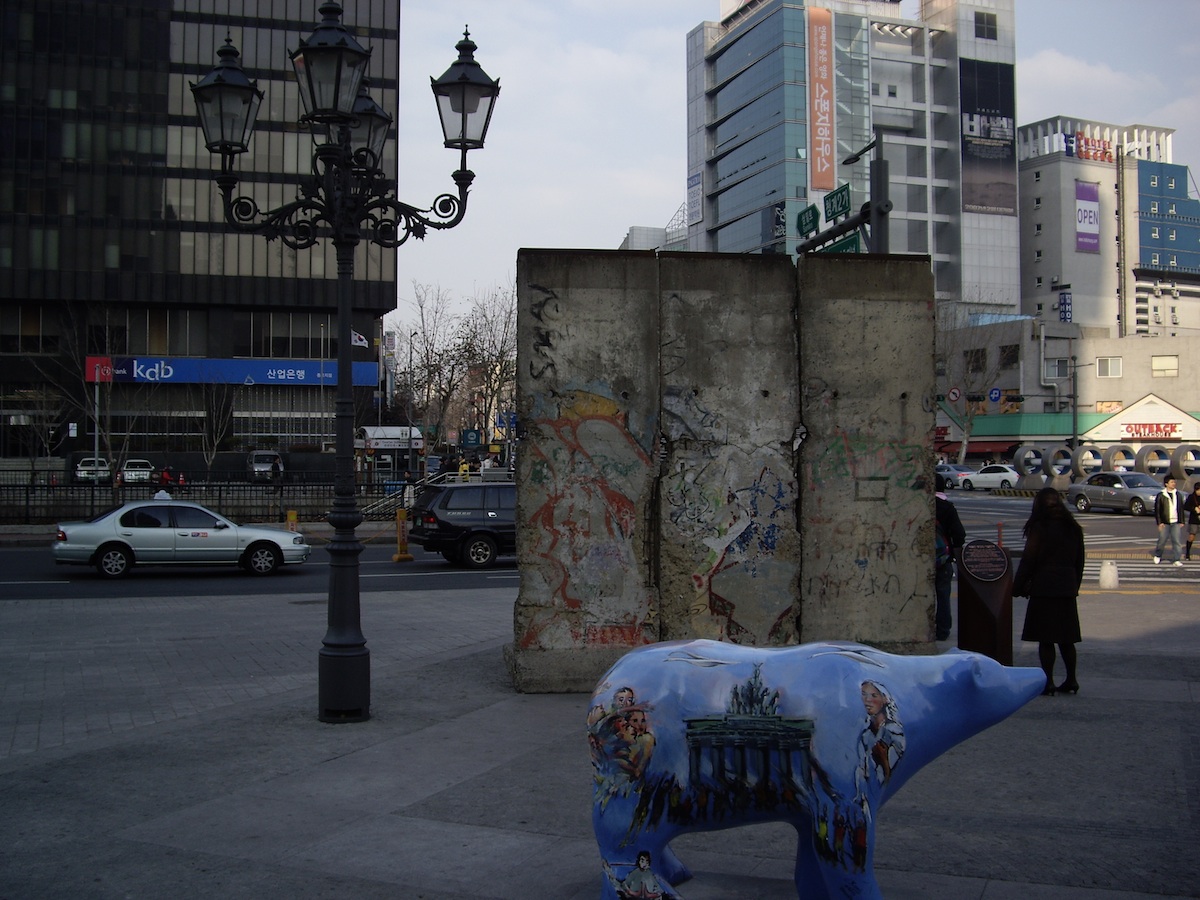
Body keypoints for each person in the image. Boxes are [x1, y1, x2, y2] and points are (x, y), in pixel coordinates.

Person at [1013, 487, 1085, 696]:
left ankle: (1048, 682)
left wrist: (1017, 587)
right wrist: (1074, 585)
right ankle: (1071, 679)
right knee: (1067, 637)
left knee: (1046, 639)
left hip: (1044, 587)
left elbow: (1029, 560)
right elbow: (1079, 561)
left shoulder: (1040, 527)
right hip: (1066, 587)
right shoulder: (1073, 527)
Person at [934, 474, 966, 641]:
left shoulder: (920, 505)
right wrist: (952, 552)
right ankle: (943, 630)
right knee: (943, 595)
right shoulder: (947, 508)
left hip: (919, 560)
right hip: (943, 560)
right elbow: (960, 534)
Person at [1154, 475, 1186, 566]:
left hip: (1175, 522)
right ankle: (1158, 555)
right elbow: (1158, 510)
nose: (1173, 484)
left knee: (1176, 541)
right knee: (1162, 540)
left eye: (1174, 482)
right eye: (1171, 482)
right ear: (1166, 484)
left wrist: (1181, 521)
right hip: (1165, 522)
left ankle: (1176, 559)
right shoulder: (1161, 495)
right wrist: (1159, 523)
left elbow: (1180, 508)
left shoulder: (1178, 494)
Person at [1182, 481, 1200, 561]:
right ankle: (1187, 553)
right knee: (1191, 536)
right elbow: (1186, 506)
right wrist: (1194, 509)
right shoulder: (1191, 497)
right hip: (1194, 520)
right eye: (1198, 490)